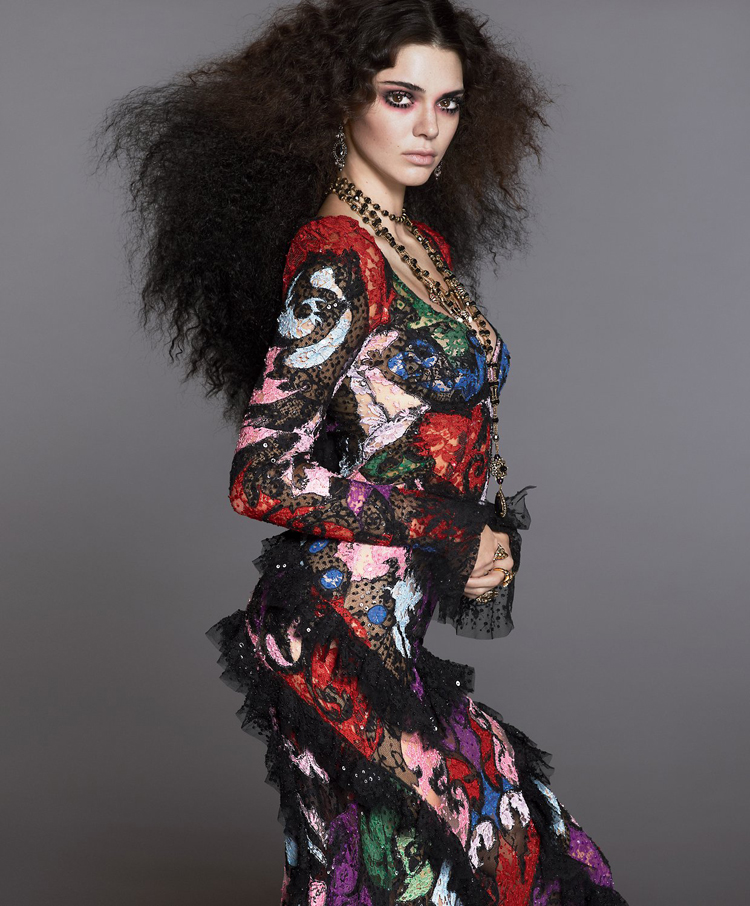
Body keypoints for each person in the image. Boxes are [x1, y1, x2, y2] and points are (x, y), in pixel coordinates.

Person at [96, 0, 628, 902]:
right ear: (341, 102)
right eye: (399, 96)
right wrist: (450, 528)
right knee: (436, 869)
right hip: (332, 629)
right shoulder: (339, 262)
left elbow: (413, 438)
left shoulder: (420, 245)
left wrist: (483, 533)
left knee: (464, 860)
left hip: (395, 630)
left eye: (448, 103)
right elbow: (262, 474)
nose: (428, 127)